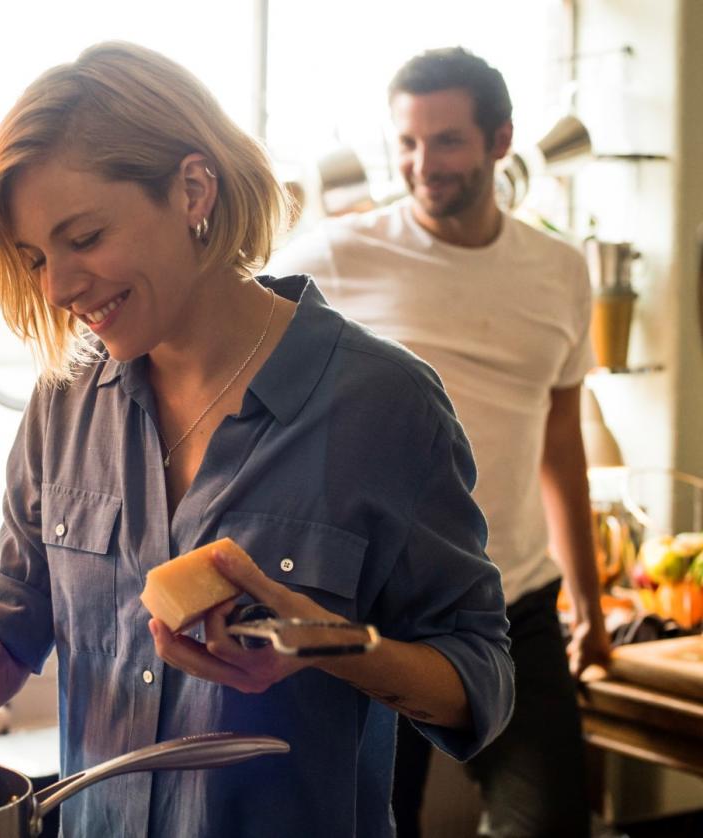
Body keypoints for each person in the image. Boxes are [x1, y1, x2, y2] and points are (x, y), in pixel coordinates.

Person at [0, 42, 513, 837]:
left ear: (192, 189)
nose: (58, 289)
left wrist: (329, 648)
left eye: (86, 237)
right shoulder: (66, 399)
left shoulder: (383, 405)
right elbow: (15, 619)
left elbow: (482, 685)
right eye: (34, 258)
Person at [269, 46, 611, 838]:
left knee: (551, 821)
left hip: (516, 606)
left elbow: (562, 440)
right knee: (375, 826)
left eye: (448, 141)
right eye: (409, 143)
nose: (424, 164)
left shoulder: (560, 269)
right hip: (377, 609)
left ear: (500, 140)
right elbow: (234, 361)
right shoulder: (335, 254)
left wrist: (588, 603)